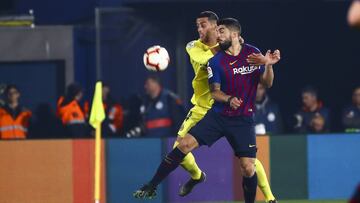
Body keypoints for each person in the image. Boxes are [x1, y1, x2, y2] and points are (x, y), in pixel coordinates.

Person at [134, 17, 281, 203]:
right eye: (216, 31)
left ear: (234, 34)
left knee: (248, 166)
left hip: (242, 119)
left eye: (220, 31)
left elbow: (267, 83)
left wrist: (267, 64)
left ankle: (269, 198)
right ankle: (154, 184)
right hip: (216, 114)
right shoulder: (208, 56)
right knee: (182, 146)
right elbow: (215, 92)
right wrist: (229, 99)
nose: (216, 35)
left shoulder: (252, 53)